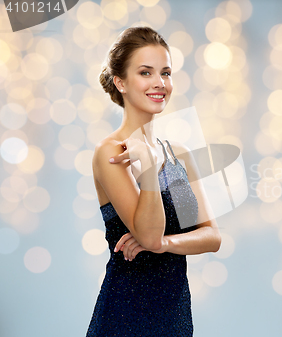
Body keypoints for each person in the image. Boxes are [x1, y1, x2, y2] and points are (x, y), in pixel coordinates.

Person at [86, 26, 221, 336]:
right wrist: (148, 167)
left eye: (166, 73)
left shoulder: (179, 154)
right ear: (120, 82)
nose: (160, 83)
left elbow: (211, 237)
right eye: (145, 72)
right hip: (125, 314)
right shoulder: (110, 152)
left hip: (173, 312)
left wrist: (164, 245)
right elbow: (147, 234)